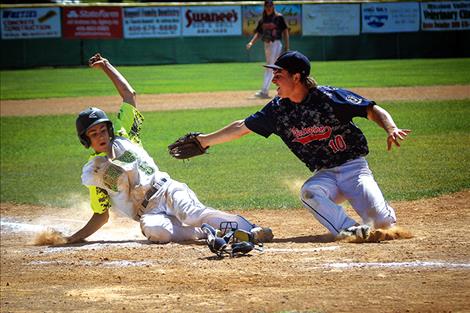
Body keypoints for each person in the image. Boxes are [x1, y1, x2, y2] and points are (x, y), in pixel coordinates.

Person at [171, 51, 411, 241]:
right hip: (325, 174)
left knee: (383, 225)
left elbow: (370, 109)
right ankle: (350, 230)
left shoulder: (328, 98)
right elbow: (241, 127)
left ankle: (381, 216)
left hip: (354, 168)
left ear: (297, 76)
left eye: (279, 73)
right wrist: (204, 140)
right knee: (309, 192)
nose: (273, 78)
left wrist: (390, 128)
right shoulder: (278, 109)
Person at [66, 53, 273, 247]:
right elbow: (101, 216)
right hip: (147, 212)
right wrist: (73, 238)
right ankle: (205, 232)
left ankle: (251, 230)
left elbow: (129, 95)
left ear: (109, 129)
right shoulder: (95, 173)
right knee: (156, 232)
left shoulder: (123, 135)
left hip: (166, 190)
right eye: (94, 133)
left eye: (103, 129)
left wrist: (106, 66)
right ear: (86, 139)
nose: (101, 135)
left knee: (192, 214)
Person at [246, 0, 289, 99]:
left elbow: (285, 31)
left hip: (276, 43)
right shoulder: (263, 20)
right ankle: (280, 89)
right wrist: (251, 42)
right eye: (267, 6)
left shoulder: (278, 17)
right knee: (273, 67)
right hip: (267, 44)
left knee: (271, 67)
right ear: (265, 7)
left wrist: (287, 46)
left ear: (273, 6)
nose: (269, 7)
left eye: (270, 6)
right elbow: (258, 33)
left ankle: (264, 91)